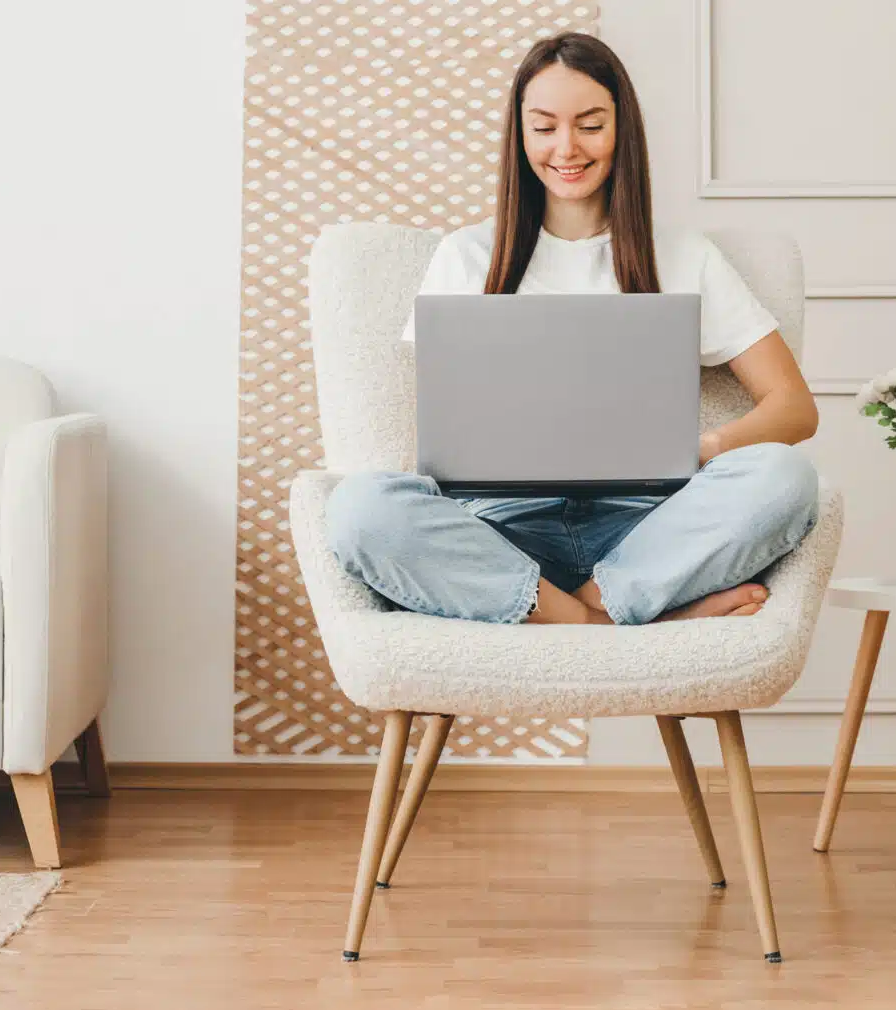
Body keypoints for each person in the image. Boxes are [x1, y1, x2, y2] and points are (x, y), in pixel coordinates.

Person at [325, 31, 821, 626]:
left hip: (644, 530)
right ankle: (606, 619)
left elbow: (794, 408)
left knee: (784, 479)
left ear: (621, 130)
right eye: (544, 126)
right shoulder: (466, 256)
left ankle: (579, 609)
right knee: (360, 507)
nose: (567, 148)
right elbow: (441, 432)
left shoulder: (684, 255)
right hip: (499, 532)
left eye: (590, 124)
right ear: (521, 135)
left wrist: (701, 450)